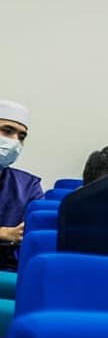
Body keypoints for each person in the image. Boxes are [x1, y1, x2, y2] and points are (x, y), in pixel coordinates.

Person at [0, 99, 42, 272]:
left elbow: (29, 235)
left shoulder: (28, 186)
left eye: (21, 136)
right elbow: (12, 236)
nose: (15, 142)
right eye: (7, 131)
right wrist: (3, 234)